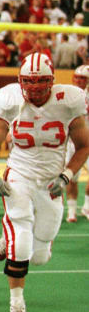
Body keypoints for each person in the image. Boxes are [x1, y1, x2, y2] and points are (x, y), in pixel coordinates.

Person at [0, 52, 89, 312]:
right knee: (22, 240)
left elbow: (84, 145)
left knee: (40, 256)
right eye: (29, 81)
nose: (34, 87)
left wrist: (66, 176)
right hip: (20, 174)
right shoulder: (10, 98)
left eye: (41, 81)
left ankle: (9, 236)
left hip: (52, 179)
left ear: (52, 82)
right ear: (20, 80)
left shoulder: (70, 100)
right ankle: (17, 307)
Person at [64, 65, 89, 222]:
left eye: (83, 79)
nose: (80, 81)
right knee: (71, 176)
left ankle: (87, 206)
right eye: (78, 78)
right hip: (72, 141)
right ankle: (71, 211)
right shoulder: (66, 95)